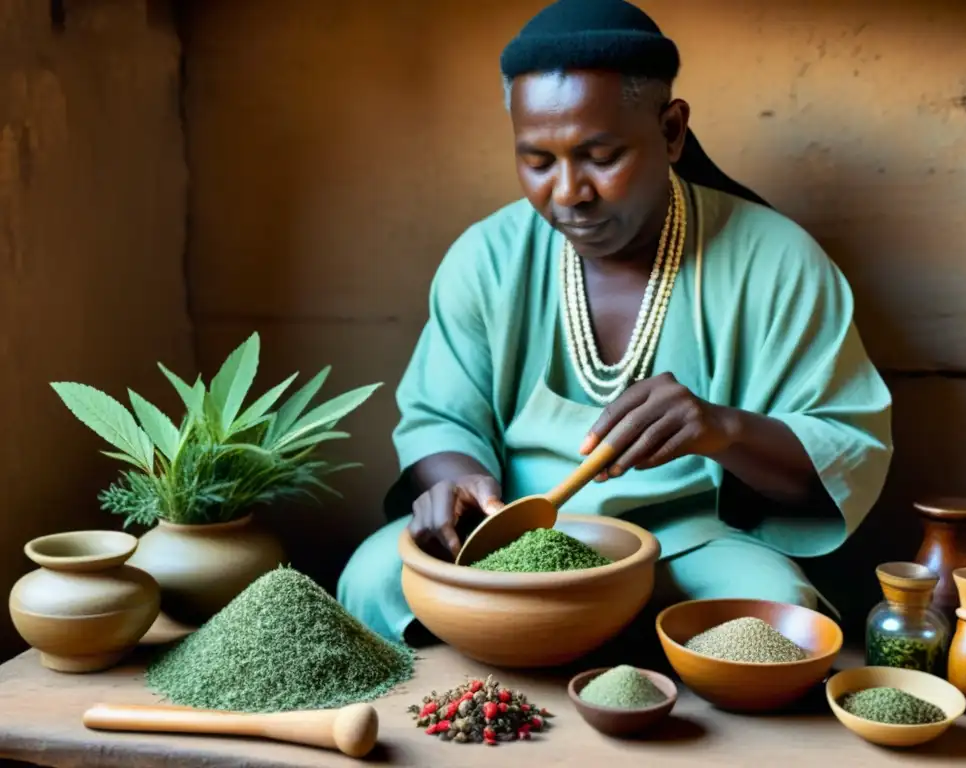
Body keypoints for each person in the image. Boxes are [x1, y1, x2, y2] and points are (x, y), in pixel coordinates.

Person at [337, 0, 893, 645]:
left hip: (688, 547)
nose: (569, 192)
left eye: (600, 155)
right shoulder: (486, 256)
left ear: (672, 131)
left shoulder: (776, 259)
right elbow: (441, 416)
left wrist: (722, 428)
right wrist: (457, 477)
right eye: (538, 162)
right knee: (374, 577)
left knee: (777, 612)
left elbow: (842, 450)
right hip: (516, 540)